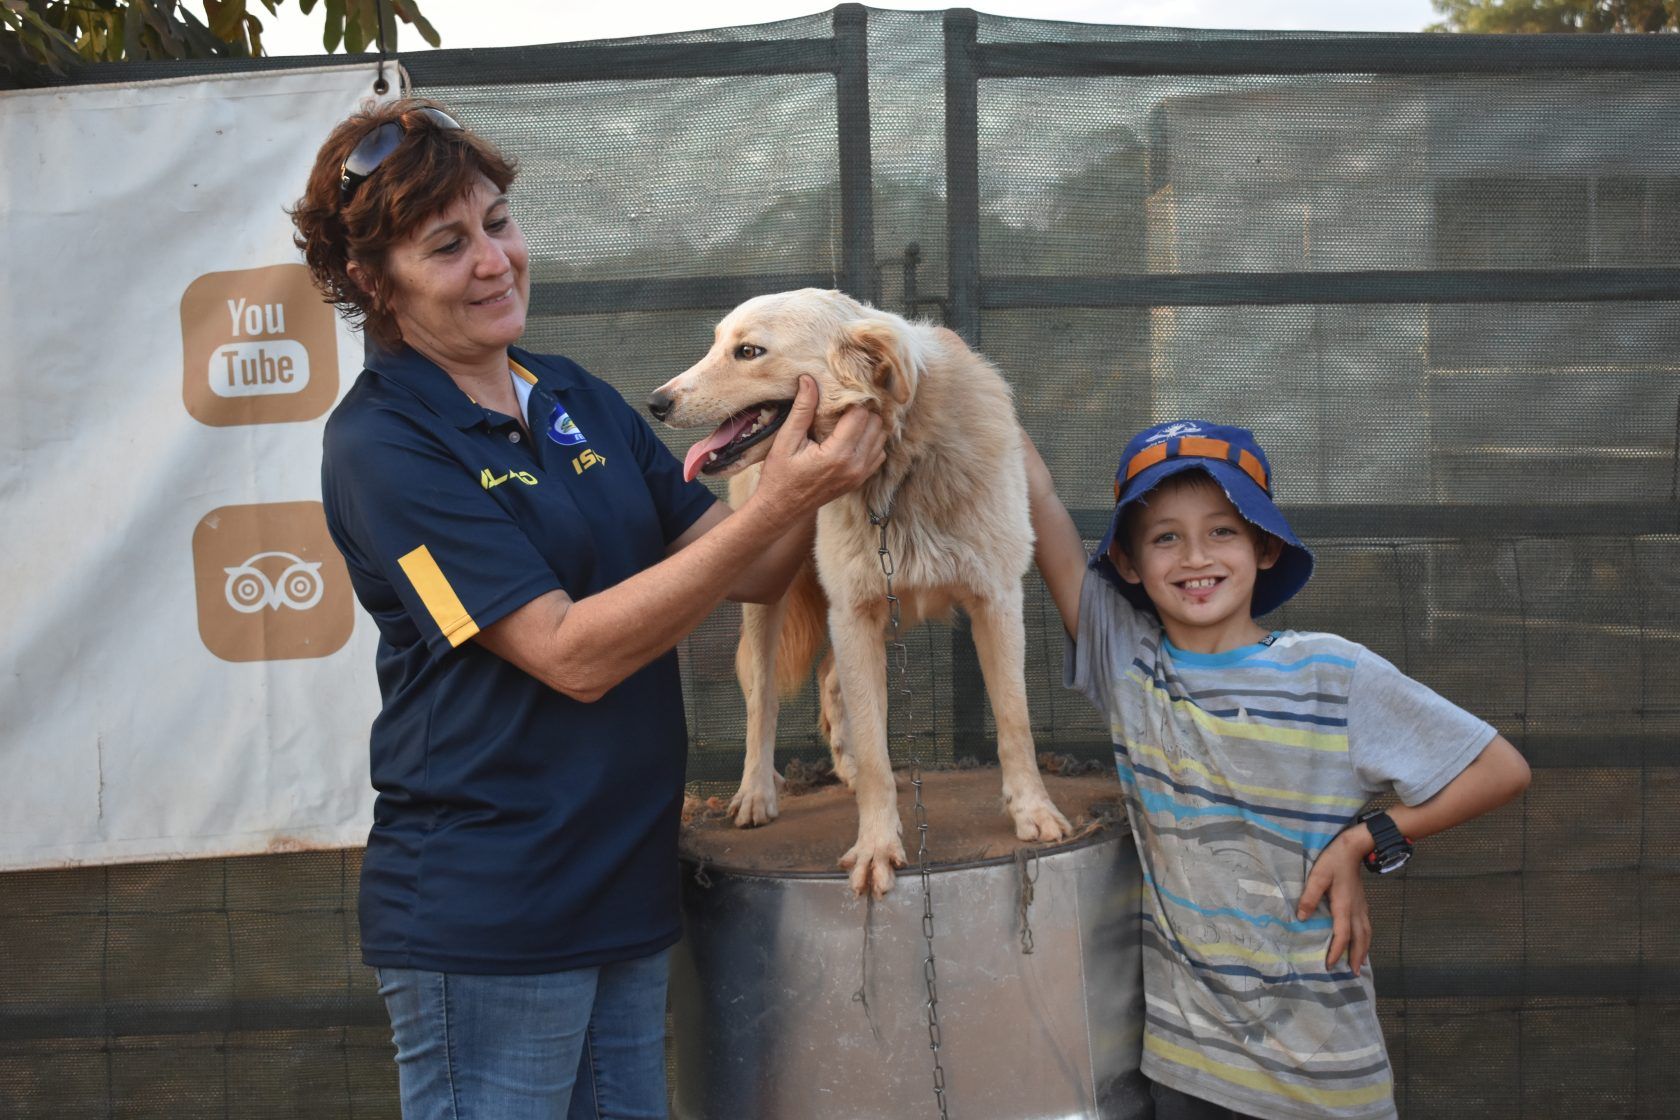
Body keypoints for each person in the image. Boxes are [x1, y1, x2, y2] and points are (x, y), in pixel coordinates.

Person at [291, 97, 885, 1119]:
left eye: (498, 222)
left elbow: (734, 563)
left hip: (622, 894)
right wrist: (782, 501)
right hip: (492, 919)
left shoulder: (569, 397)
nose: (494, 260)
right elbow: (568, 654)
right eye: (446, 245)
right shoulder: (383, 446)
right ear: (370, 282)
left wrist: (823, 465)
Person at [1024, 420, 1530, 1120]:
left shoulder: (1332, 671)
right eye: (1165, 536)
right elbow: (1039, 499)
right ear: (1130, 562)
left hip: (1323, 1082)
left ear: (1264, 546)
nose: (1195, 556)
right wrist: (959, 382)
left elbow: (1500, 768)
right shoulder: (1131, 667)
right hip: (1189, 1075)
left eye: (1222, 531)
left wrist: (1366, 838)